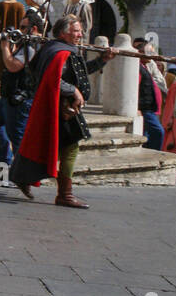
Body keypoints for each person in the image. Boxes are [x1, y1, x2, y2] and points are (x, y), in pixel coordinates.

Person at [9, 13, 114, 208]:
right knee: (70, 147)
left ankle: (22, 176)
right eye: (75, 31)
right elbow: (53, 79)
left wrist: (102, 60)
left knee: (50, 144)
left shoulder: (54, 48)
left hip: (58, 105)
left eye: (80, 31)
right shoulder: (61, 53)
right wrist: (73, 90)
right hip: (63, 108)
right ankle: (64, 194)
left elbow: (78, 73)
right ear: (64, 33)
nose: (80, 35)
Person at [0, 9, 42, 170]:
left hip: (19, 98)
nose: (20, 30)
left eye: (24, 28)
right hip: (10, 95)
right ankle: (4, 159)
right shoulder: (26, 44)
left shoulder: (32, 46)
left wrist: (4, 46)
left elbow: (13, 66)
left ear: (34, 29)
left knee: (17, 135)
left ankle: (21, 171)